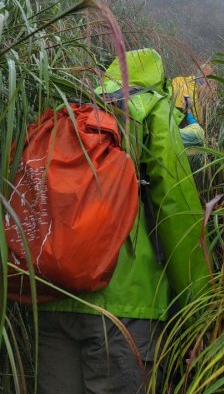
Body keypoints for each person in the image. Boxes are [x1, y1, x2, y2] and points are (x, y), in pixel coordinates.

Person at [36, 48, 210, 394]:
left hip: (54, 295)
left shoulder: (71, 106)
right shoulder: (154, 111)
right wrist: (201, 312)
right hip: (126, 308)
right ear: (159, 80)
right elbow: (175, 209)